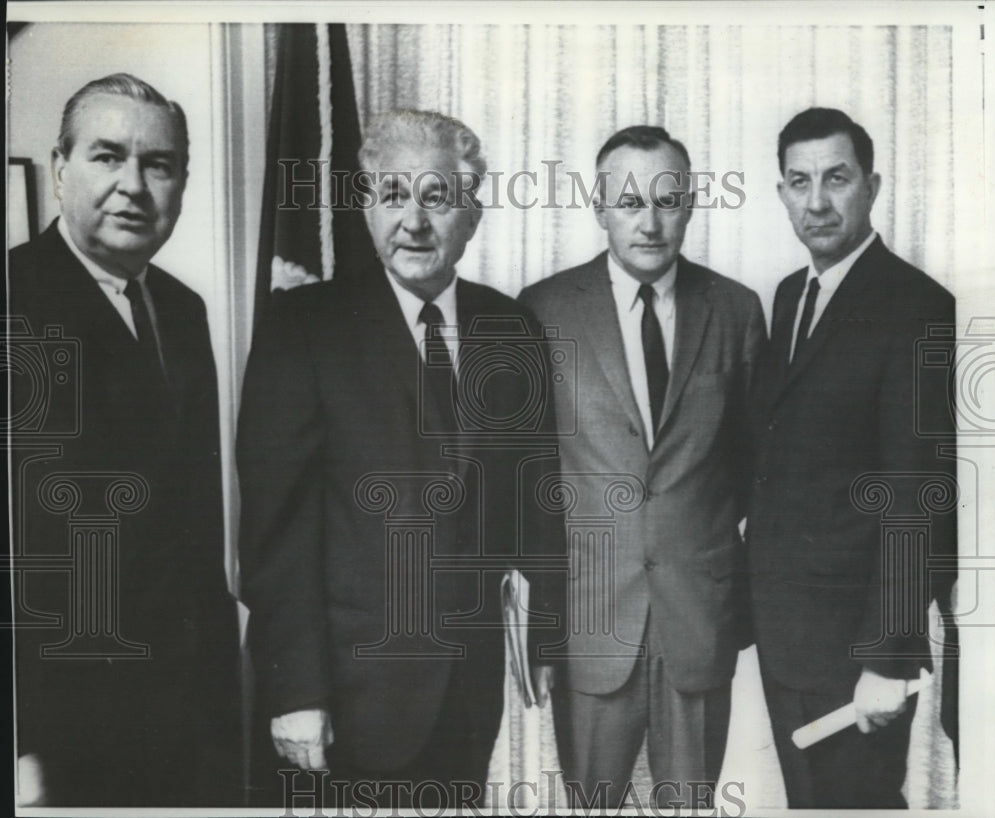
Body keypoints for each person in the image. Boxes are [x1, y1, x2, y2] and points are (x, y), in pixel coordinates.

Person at [237, 108, 564, 809]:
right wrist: (295, 692)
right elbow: (276, 535)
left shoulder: (513, 326)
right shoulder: (304, 328)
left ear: (470, 215)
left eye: (436, 197)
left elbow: (539, 496)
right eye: (392, 195)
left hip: (469, 694)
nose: (413, 220)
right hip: (347, 700)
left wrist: (546, 638)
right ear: (366, 208)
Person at [8, 73, 240, 806]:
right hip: (57, 726)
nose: (133, 185)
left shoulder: (182, 309)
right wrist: (19, 746)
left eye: (158, 164)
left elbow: (194, 525)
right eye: (108, 157)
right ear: (60, 167)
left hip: (187, 717)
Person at [519, 125, 765, 809]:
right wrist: (541, 626)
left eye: (668, 199)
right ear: (598, 207)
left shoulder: (737, 311)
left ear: (689, 204)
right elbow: (529, 482)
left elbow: (752, 465)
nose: (650, 222)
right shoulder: (540, 312)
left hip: (698, 615)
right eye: (629, 202)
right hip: (591, 620)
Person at [746, 107, 957, 808]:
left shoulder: (916, 305)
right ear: (781, 194)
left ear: (872, 185)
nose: (817, 201)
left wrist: (890, 657)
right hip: (788, 640)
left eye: (836, 178)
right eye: (799, 182)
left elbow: (916, 492)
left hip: (856, 649)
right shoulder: (788, 296)